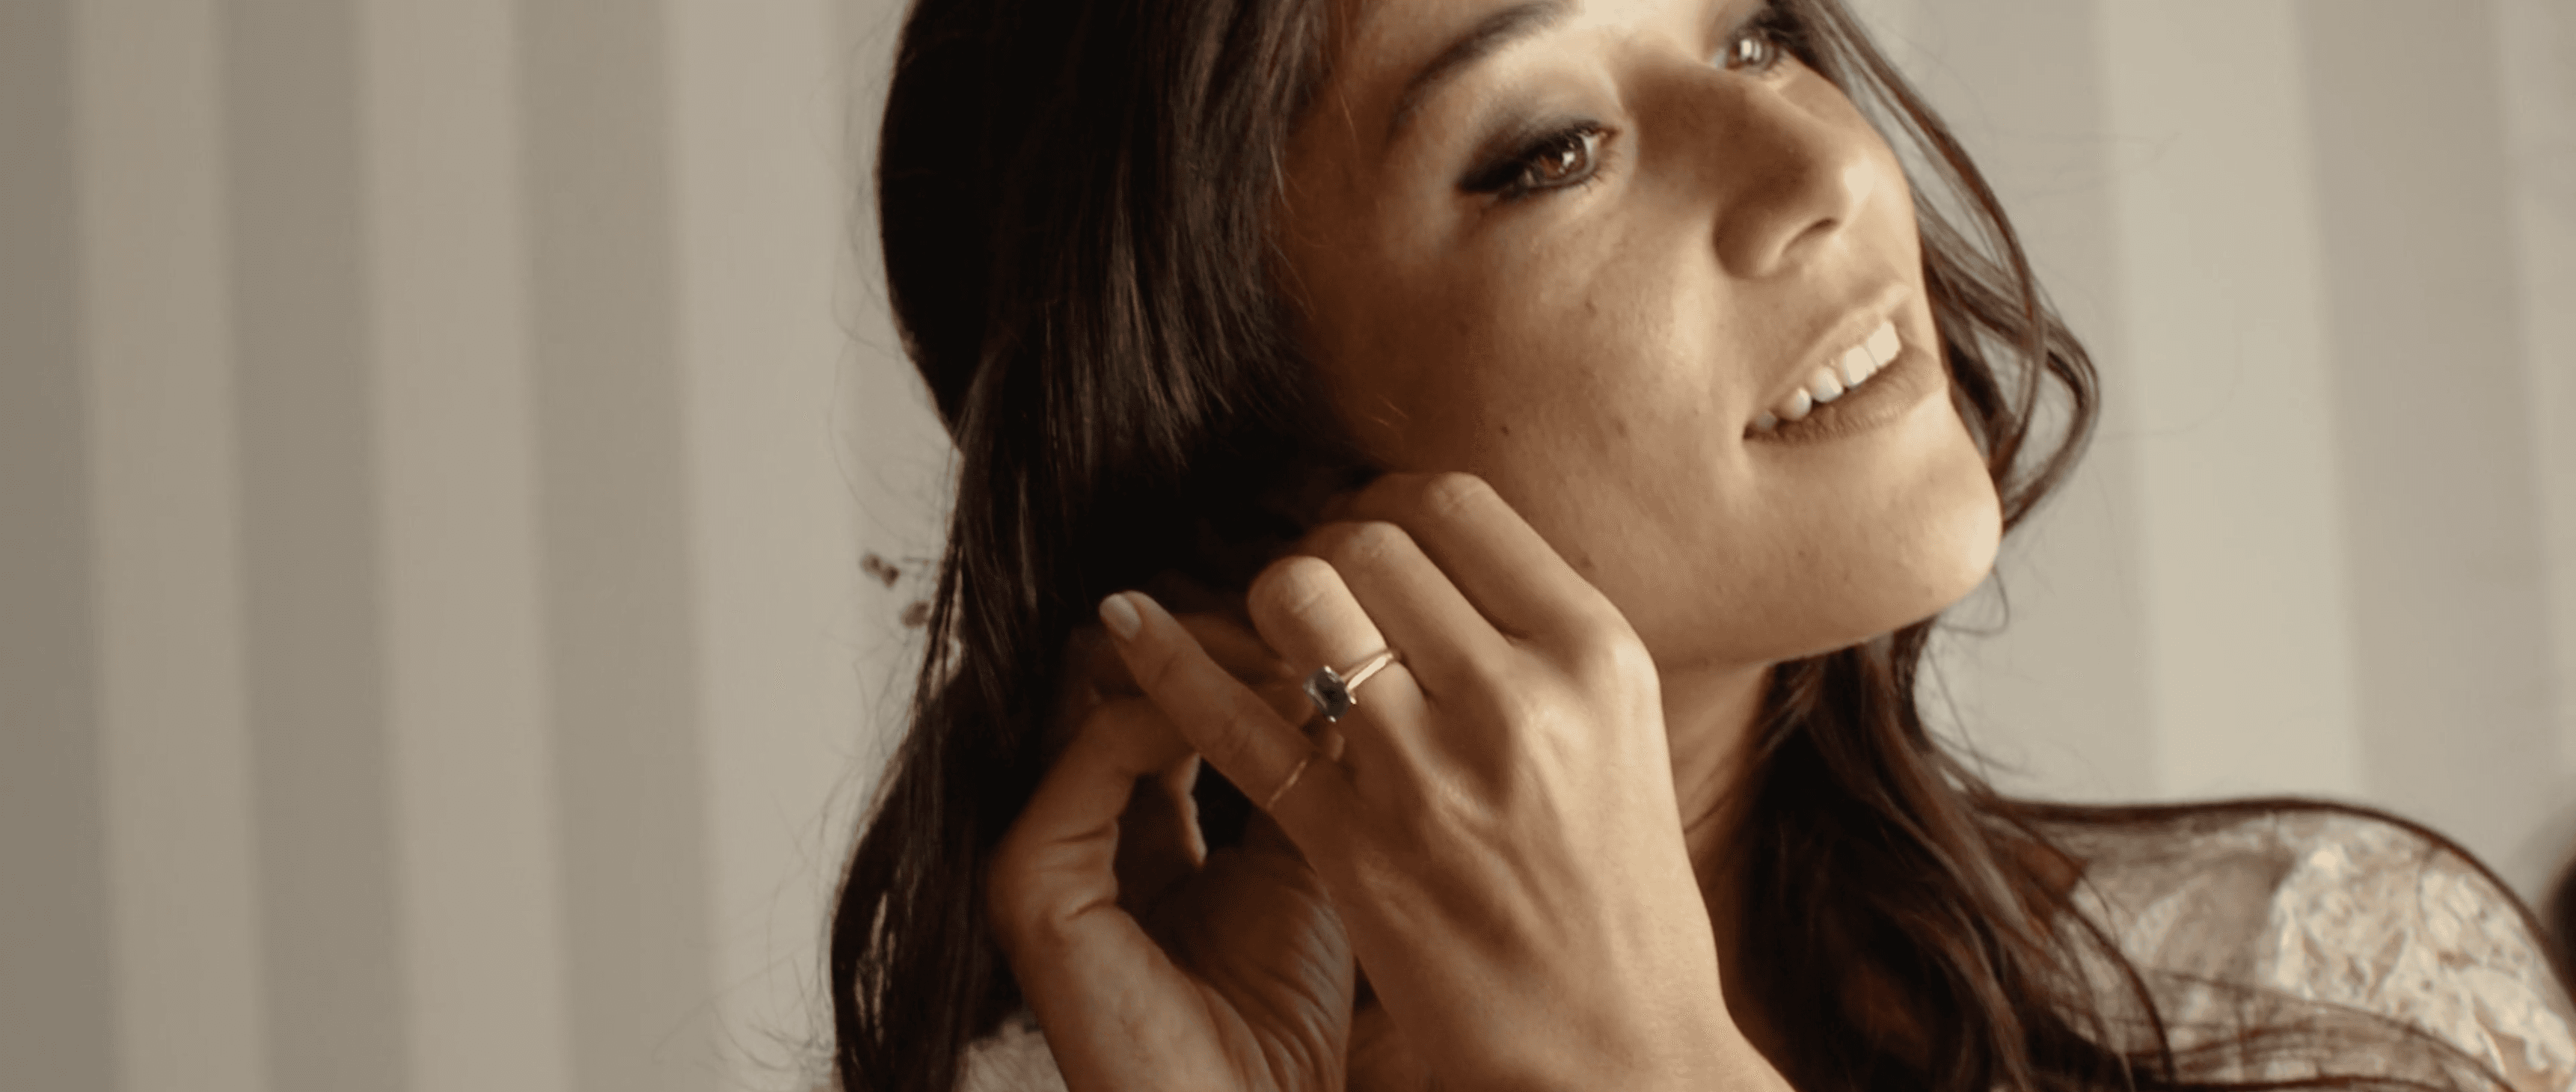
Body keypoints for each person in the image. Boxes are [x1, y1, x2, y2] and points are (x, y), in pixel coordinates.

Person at [828, 0, 2576, 1088]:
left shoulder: (2316, 997)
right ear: (1238, 488)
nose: (1816, 162)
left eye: (1751, 31)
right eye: (1553, 149)